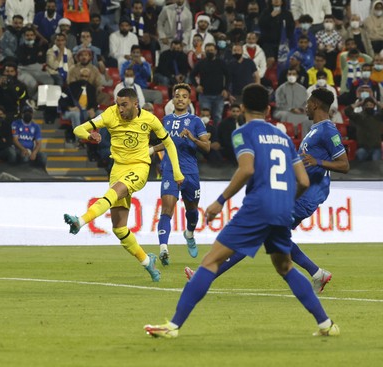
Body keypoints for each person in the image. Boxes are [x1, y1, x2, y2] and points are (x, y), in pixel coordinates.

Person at [145, 84, 341, 339]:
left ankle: (173, 326)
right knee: (285, 268)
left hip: (257, 207)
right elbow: (303, 181)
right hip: (281, 208)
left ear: (244, 108)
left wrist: (220, 200)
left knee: (210, 261)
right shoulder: (282, 136)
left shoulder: (242, 133)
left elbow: (247, 169)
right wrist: (282, 203)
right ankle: (326, 324)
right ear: (269, 109)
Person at [184, 87, 349, 294]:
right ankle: (317, 274)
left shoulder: (328, 130)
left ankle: (204, 275)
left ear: (315, 104)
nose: (305, 106)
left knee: (256, 232)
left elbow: (344, 165)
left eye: (308, 103)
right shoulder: (315, 129)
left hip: (307, 196)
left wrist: (318, 161)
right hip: (294, 192)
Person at [63, 88, 184, 281]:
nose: (120, 109)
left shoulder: (150, 119)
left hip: (140, 167)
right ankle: (147, 262)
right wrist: (89, 136)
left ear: (136, 104)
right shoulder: (110, 114)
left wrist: (177, 172)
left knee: (114, 192)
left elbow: (169, 143)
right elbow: (78, 129)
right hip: (118, 168)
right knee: (119, 228)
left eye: (124, 105)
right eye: (118, 104)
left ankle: (80, 221)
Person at [150, 84, 210, 266]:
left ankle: (189, 234)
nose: (180, 99)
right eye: (177, 96)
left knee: (192, 212)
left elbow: (206, 147)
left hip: (190, 172)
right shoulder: (166, 120)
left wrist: (192, 138)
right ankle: (163, 249)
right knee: (166, 210)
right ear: (173, 99)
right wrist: (152, 149)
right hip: (169, 170)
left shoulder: (196, 121)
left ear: (189, 100)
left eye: (184, 96)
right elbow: (167, 143)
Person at [345, 97, 383, 161]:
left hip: (376, 148)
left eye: (371, 105)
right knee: (359, 163)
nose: (369, 107)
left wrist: (377, 103)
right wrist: (358, 104)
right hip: (363, 148)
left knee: (377, 167)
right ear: (364, 107)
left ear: (374, 106)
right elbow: (347, 111)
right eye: (367, 105)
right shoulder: (359, 117)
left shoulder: (378, 117)